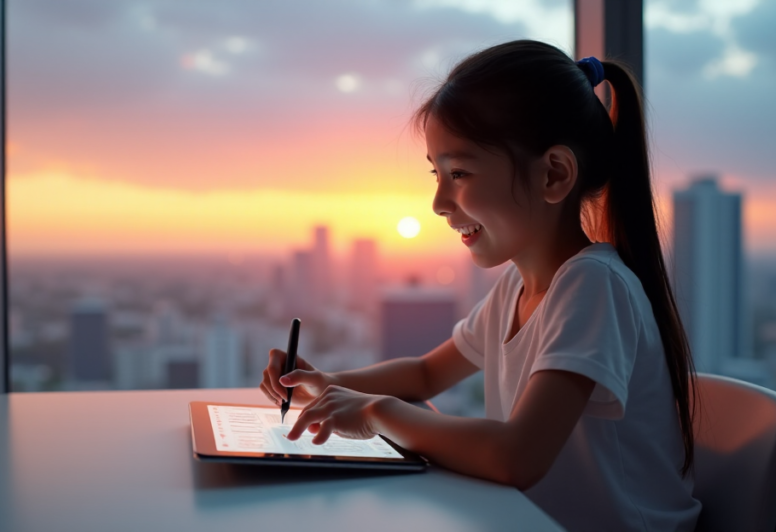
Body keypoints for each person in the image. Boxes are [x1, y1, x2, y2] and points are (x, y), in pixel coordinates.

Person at [259, 40, 701, 531]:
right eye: (436, 173)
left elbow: (517, 456)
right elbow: (426, 375)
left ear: (553, 174)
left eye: (460, 172)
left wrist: (376, 412)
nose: (439, 202)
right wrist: (324, 387)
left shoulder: (594, 286)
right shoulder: (519, 286)